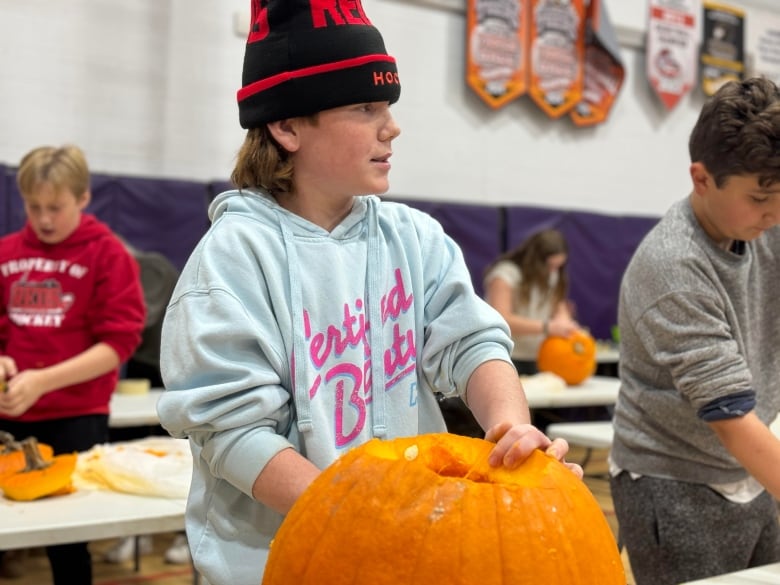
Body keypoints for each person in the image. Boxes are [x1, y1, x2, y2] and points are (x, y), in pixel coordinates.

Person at [156, 1, 582, 584]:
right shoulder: (233, 258)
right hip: (277, 564)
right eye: (365, 108)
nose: (392, 126)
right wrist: (354, 518)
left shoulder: (415, 238)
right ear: (287, 126)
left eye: (388, 106)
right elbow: (232, 431)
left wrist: (508, 429)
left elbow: (474, 345)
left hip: (406, 548)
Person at [610, 77, 780, 585]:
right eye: (758, 198)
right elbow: (730, 418)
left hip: (751, 472)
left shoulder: (765, 225)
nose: (773, 214)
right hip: (675, 484)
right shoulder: (673, 266)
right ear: (701, 178)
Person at [0, 144, 146, 585]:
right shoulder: (6, 252)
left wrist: (44, 380)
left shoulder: (108, 255)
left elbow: (118, 344)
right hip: (10, 412)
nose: (44, 219)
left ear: (83, 199)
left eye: (56, 208)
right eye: (34, 207)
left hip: (76, 416)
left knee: (68, 542)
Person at [483, 228, 580, 375]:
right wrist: (548, 327)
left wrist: (565, 323)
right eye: (549, 265)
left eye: (558, 267)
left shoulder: (552, 275)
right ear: (534, 259)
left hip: (538, 356)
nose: (553, 271)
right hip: (506, 355)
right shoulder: (505, 275)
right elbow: (502, 320)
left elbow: (558, 305)